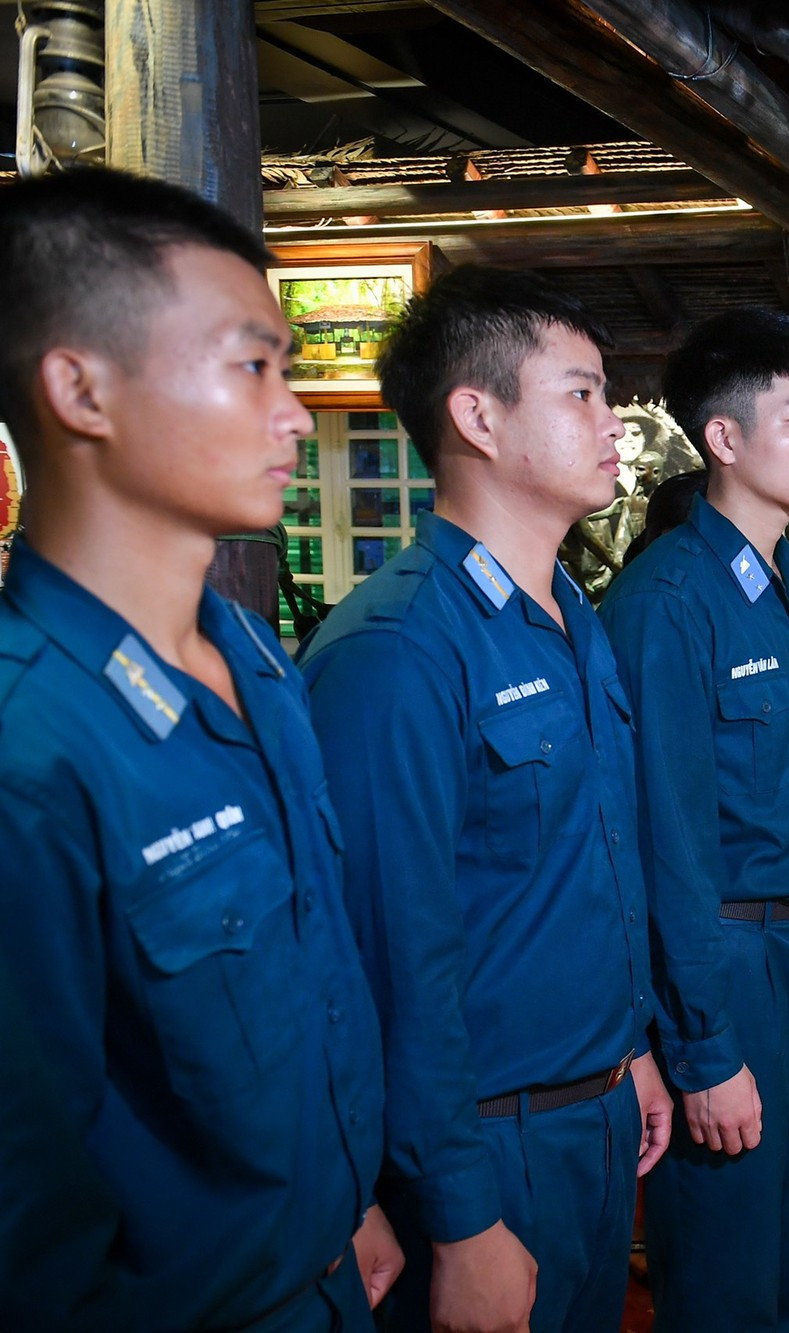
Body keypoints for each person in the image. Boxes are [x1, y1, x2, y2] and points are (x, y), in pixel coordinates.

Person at [0, 167, 398, 1326]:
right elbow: (29, 1216)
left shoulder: (253, 657)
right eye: (253, 367)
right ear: (81, 389)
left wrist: (351, 1198)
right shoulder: (31, 749)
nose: (296, 413)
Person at [299, 266, 671, 1332]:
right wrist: (461, 1215)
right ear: (477, 416)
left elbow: (591, 870)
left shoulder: (571, 616)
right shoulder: (397, 650)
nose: (613, 422)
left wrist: (633, 1052)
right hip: (483, 1143)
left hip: (595, 1106)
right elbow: (391, 958)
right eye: (581, 393)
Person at [599, 308, 789, 1331]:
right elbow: (667, 847)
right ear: (723, 437)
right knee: (728, 1256)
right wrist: (704, 1046)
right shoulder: (665, 602)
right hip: (730, 960)